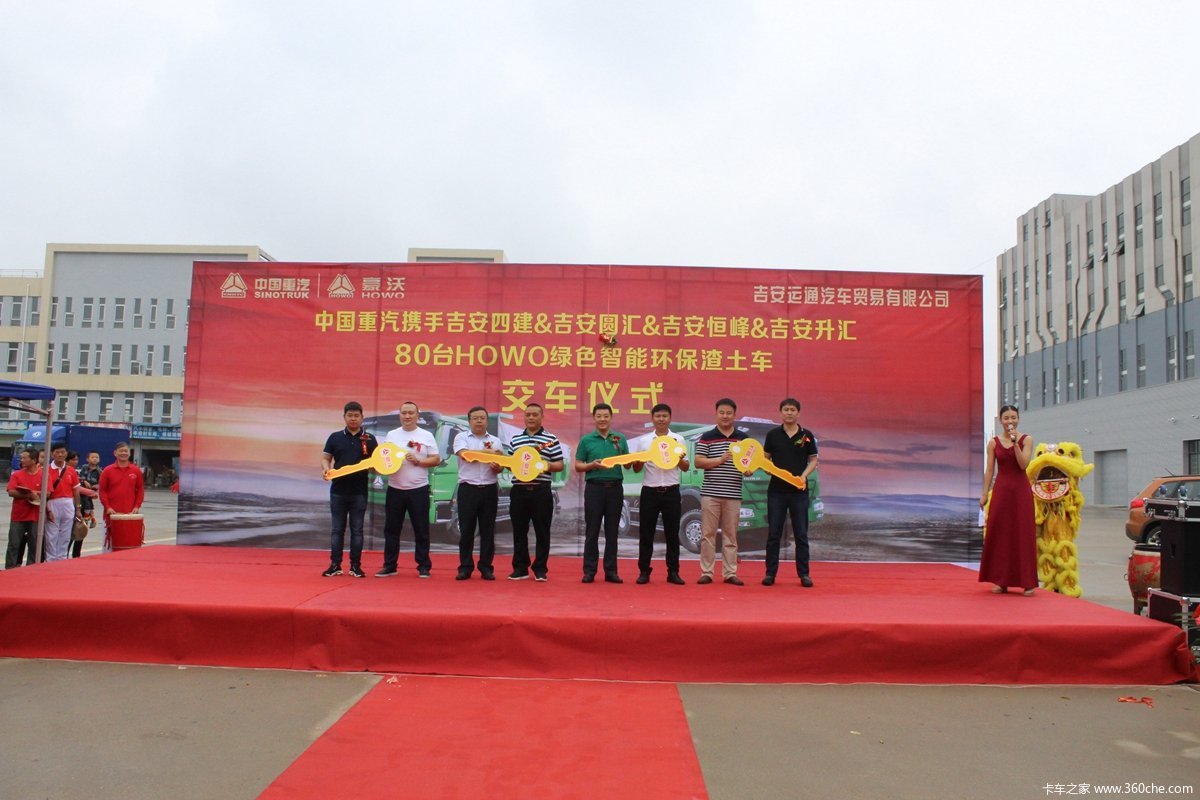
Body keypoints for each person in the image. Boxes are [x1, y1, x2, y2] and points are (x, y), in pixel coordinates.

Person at [376, 401, 440, 578]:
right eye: (404, 413)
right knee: (391, 529)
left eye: (411, 413)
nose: (407, 416)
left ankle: (423, 566)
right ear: (400, 415)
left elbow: (436, 459)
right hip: (395, 488)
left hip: (418, 489)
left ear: (417, 416)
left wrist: (418, 461)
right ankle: (390, 565)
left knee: (421, 529)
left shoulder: (426, 435)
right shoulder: (392, 435)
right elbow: (384, 457)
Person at [979, 404, 1037, 595]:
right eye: (1006, 418)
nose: (1010, 421)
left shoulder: (1026, 439)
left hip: (1021, 492)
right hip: (1002, 491)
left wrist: (1015, 444)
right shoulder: (993, 443)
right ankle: (1000, 580)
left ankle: (1028, 582)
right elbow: (989, 470)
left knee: (1022, 533)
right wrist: (985, 493)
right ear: (1000, 420)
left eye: (1013, 417)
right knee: (1000, 533)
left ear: (1018, 419)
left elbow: (1023, 464)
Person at [762, 398, 820, 587]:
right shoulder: (772, 435)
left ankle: (804, 574)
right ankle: (770, 574)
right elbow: (765, 459)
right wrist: (767, 468)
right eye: (786, 409)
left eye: (792, 410)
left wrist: (803, 476)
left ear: (798, 413)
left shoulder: (806, 436)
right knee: (774, 534)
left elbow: (813, 460)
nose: (789, 412)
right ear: (780, 413)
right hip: (776, 492)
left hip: (799, 492)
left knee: (801, 534)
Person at [628, 403, 688, 585]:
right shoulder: (644, 441)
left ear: (670, 418)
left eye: (664, 416)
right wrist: (640, 459)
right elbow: (637, 469)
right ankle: (644, 571)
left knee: (672, 534)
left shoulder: (678, 439)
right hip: (650, 491)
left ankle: (673, 572)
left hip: (671, 491)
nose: (661, 419)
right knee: (646, 533)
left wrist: (678, 458)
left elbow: (686, 467)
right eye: (658, 416)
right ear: (652, 419)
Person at [506, 403, 565, 581]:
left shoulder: (551, 439)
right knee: (519, 531)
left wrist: (545, 465)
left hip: (541, 491)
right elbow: (510, 464)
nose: (531, 417)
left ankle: (540, 569)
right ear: (524, 417)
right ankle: (520, 568)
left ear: (541, 417)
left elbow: (559, 464)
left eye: (535, 414)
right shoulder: (515, 440)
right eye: (528, 414)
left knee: (542, 531)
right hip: (519, 491)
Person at [694, 398, 749, 585]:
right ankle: (707, 572)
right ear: (716, 414)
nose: (725, 416)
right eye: (722, 413)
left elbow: (748, 463)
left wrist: (748, 470)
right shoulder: (707, 436)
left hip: (733, 494)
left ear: (734, 415)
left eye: (729, 413)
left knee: (730, 535)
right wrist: (720, 459)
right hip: (710, 493)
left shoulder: (743, 439)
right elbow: (698, 461)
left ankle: (730, 573)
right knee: (707, 535)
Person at [321, 401, 378, 578]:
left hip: (359, 492)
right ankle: (335, 565)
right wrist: (326, 469)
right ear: (344, 417)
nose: (353, 419)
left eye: (356, 416)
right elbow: (325, 458)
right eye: (350, 415)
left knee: (357, 530)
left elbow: (377, 464)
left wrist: (374, 467)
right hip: (338, 491)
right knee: (337, 530)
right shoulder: (335, 437)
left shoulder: (370, 439)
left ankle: (355, 566)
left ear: (362, 418)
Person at [575, 403, 629, 584]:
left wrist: (630, 458)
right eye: (599, 416)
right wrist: (592, 465)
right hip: (594, 489)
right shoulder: (586, 440)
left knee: (612, 531)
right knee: (592, 530)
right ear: (594, 418)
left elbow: (627, 462)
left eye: (606, 416)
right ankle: (589, 571)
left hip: (615, 489)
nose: (602, 419)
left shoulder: (620, 439)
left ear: (611, 418)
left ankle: (611, 571)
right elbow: (578, 465)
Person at [453, 406, 503, 580]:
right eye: (475, 418)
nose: (479, 421)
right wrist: (488, 453)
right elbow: (467, 455)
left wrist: (497, 466)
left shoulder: (495, 440)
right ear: (469, 421)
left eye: (482, 418)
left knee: (487, 531)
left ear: (487, 421)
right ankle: (465, 567)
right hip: (468, 489)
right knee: (466, 530)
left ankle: (486, 567)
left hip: (489, 489)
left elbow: (500, 465)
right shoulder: (461, 437)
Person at [98, 443, 145, 548]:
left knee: (129, 545)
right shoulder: (107, 470)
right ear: (115, 453)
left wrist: (137, 506)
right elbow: (102, 491)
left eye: (126, 451)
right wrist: (107, 507)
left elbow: (140, 490)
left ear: (129, 453)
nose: (123, 453)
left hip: (130, 515)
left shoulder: (136, 470)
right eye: (121, 451)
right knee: (109, 546)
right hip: (111, 515)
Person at [44, 444, 82, 562]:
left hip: (68, 503)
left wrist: (78, 509)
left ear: (66, 454)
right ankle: (50, 559)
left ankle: (62, 558)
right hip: (52, 503)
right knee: (51, 534)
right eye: (57, 452)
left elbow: (76, 491)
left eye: (63, 452)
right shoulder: (46, 470)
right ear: (52, 454)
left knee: (65, 533)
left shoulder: (71, 470)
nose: (60, 454)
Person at [6, 448, 42, 569]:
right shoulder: (17, 474)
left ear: (33, 460)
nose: (21, 460)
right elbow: (11, 491)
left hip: (35, 515)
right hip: (18, 516)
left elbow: (47, 493)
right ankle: (10, 568)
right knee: (14, 544)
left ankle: (32, 568)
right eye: (21, 458)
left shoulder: (43, 475)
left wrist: (35, 494)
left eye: (24, 458)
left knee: (34, 544)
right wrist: (28, 495)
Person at [74, 451, 103, 559]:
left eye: (97, 457)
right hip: (79, 498)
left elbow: (102, 484)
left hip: (88, 497)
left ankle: (76, 555)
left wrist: (96, 486)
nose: (95, 459)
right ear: (87, 459)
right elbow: (79, 480)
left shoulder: (100, 471)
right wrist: (84, 482)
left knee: (81, 529)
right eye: (92, 457)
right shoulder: (84, 468)